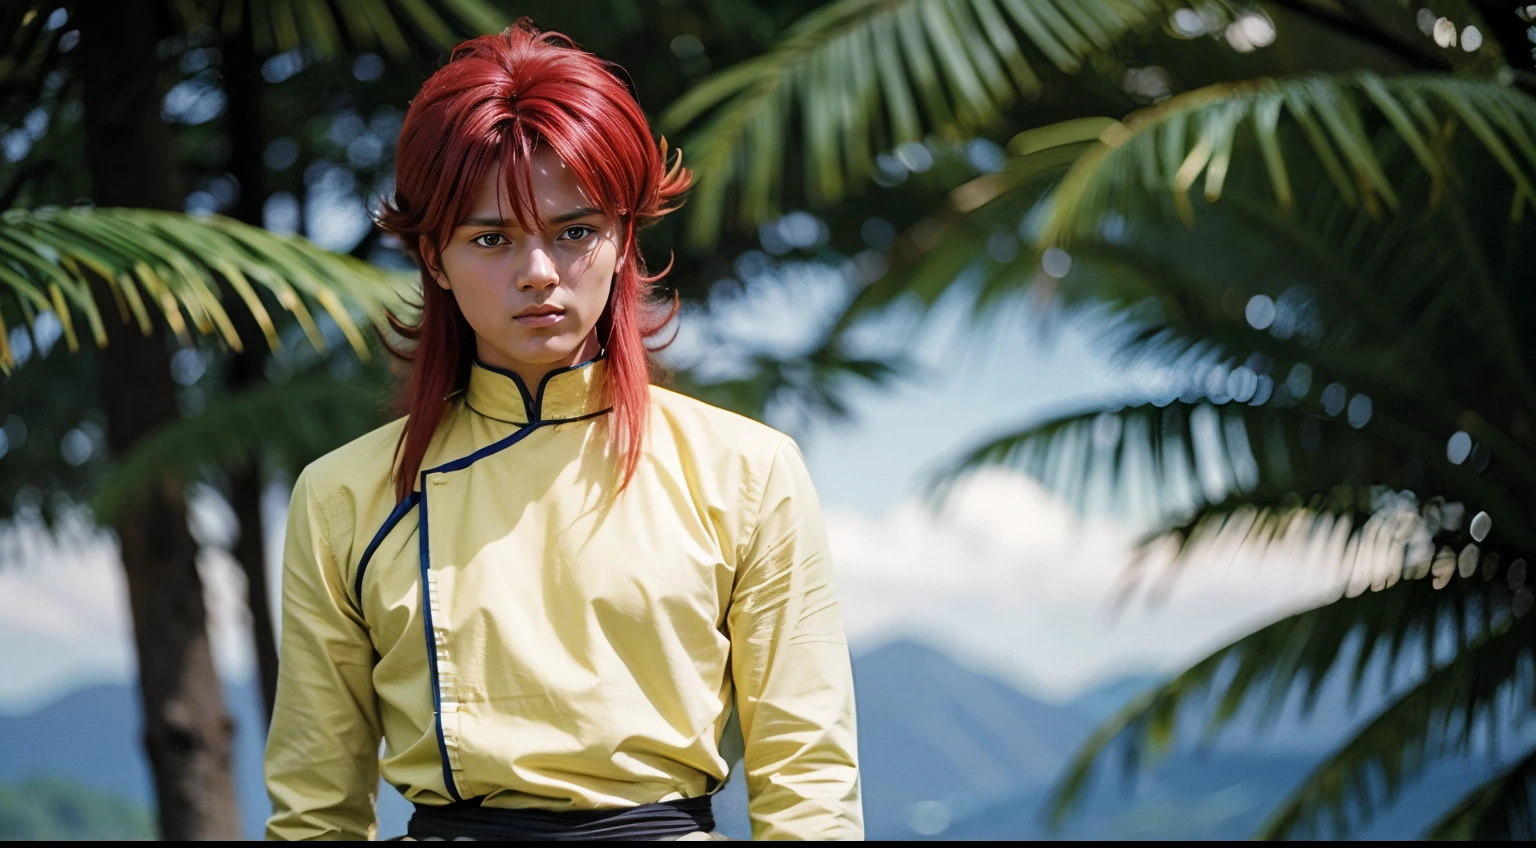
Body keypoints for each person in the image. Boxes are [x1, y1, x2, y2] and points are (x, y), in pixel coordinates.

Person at [262, 20, 862, 842]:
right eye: (491, 238)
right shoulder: (343, 496)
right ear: (433, 257)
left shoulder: (748, 472)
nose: (538, 272)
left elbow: (810, 782)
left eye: (575, 231)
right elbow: (314, 810)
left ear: (623, 240)